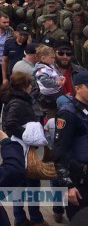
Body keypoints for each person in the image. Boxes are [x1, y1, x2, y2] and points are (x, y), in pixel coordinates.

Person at [0, 72, 46, 226]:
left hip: (17, 148)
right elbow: (11, 124)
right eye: (30, 84)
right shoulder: (19, 102)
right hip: (22, 149)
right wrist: (28, 135)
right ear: (24, 86)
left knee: (19, 184)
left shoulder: (15, 99)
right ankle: (35, 219)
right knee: (31, 184)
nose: (32, 87)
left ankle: (21, 218)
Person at [53, 70, 88, 219]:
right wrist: (68, 186)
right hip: (79, 178)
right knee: (80, 218)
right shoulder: (69, 113)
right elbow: (60, 151)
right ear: (78, 88)